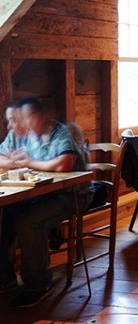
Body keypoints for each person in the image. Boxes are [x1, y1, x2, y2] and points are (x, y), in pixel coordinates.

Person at [0, 97, 89, 309]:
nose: (26, 122)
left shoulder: (58, 131)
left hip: (72, 194)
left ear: (43, 116)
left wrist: (29, 163)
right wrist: (13, 162)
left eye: (30, 117)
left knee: (28, 222)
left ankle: (38, 285)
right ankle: (6, 278)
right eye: (23, 118)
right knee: (5, 214)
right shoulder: (24, 134)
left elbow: (65, 164)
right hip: (41, 195)